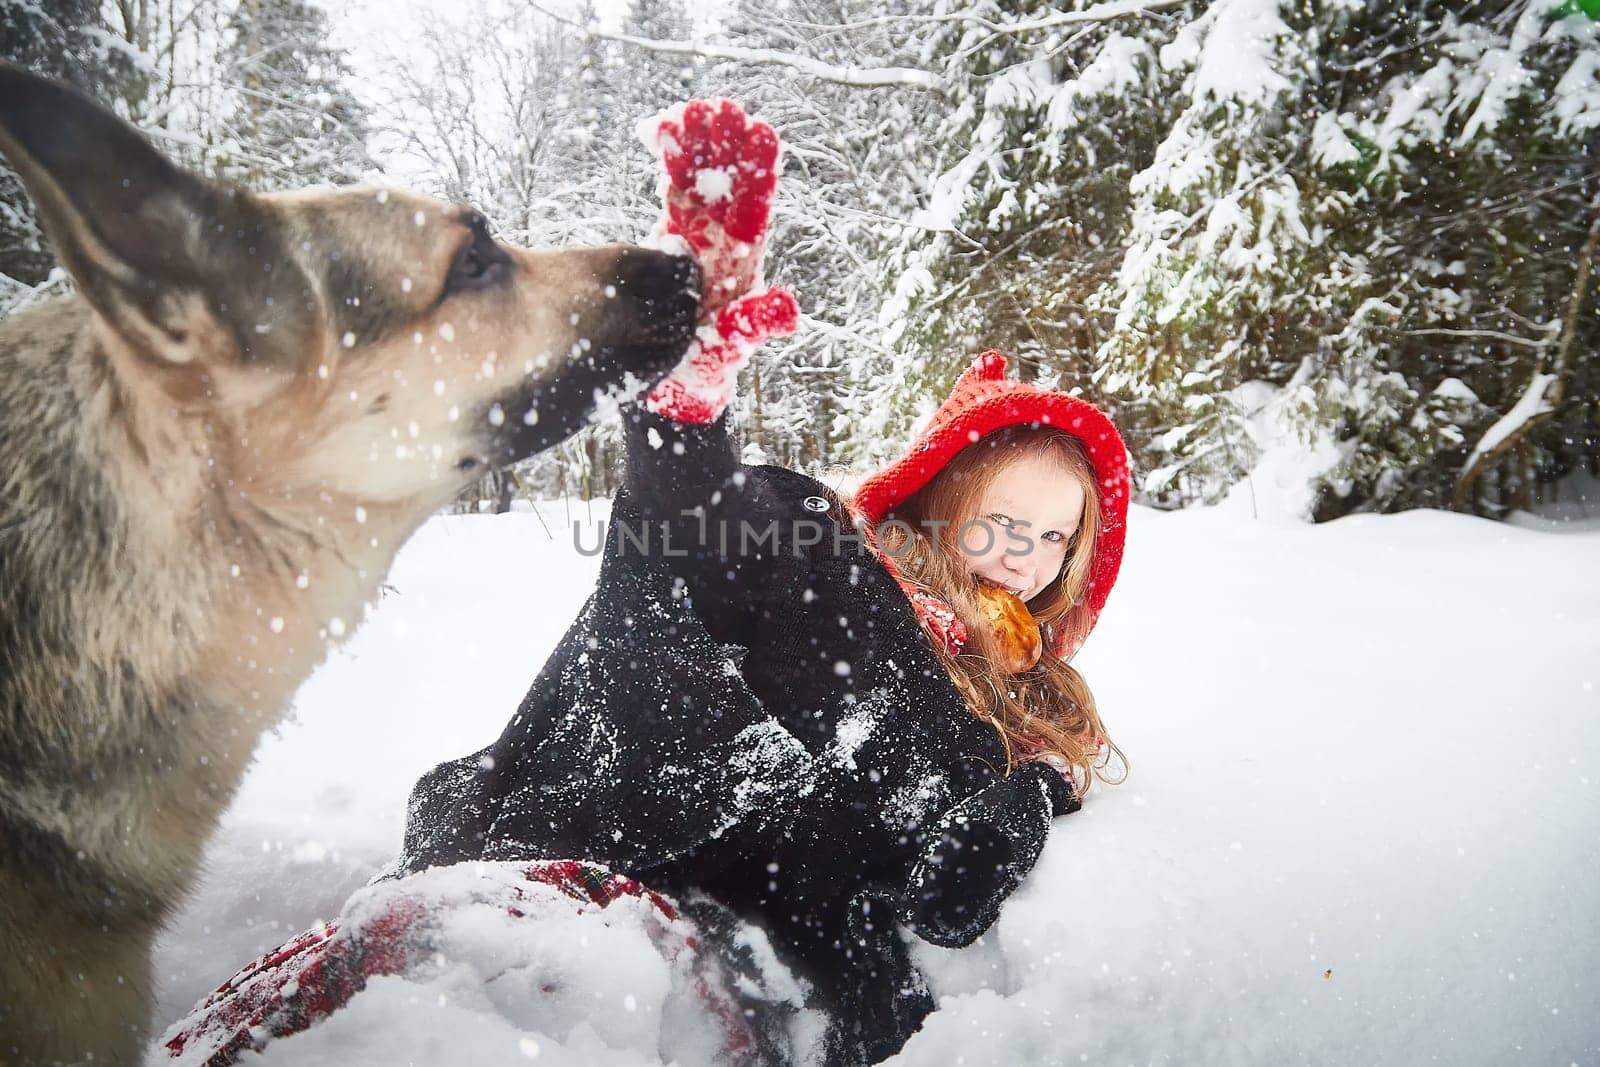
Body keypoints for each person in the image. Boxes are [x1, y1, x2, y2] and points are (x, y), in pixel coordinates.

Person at [161, 100, 1133, 1067]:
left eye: (1053, 535)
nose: (1021, 552)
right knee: (772, 533)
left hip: (774, 949)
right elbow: (678, 604)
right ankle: (680, 419)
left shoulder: (1035, 692)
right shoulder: (850, 580)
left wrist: (1028, 795)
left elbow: (1048, 773)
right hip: (613, 822)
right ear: (936, 501)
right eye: (998, 517)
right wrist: (684, 423)